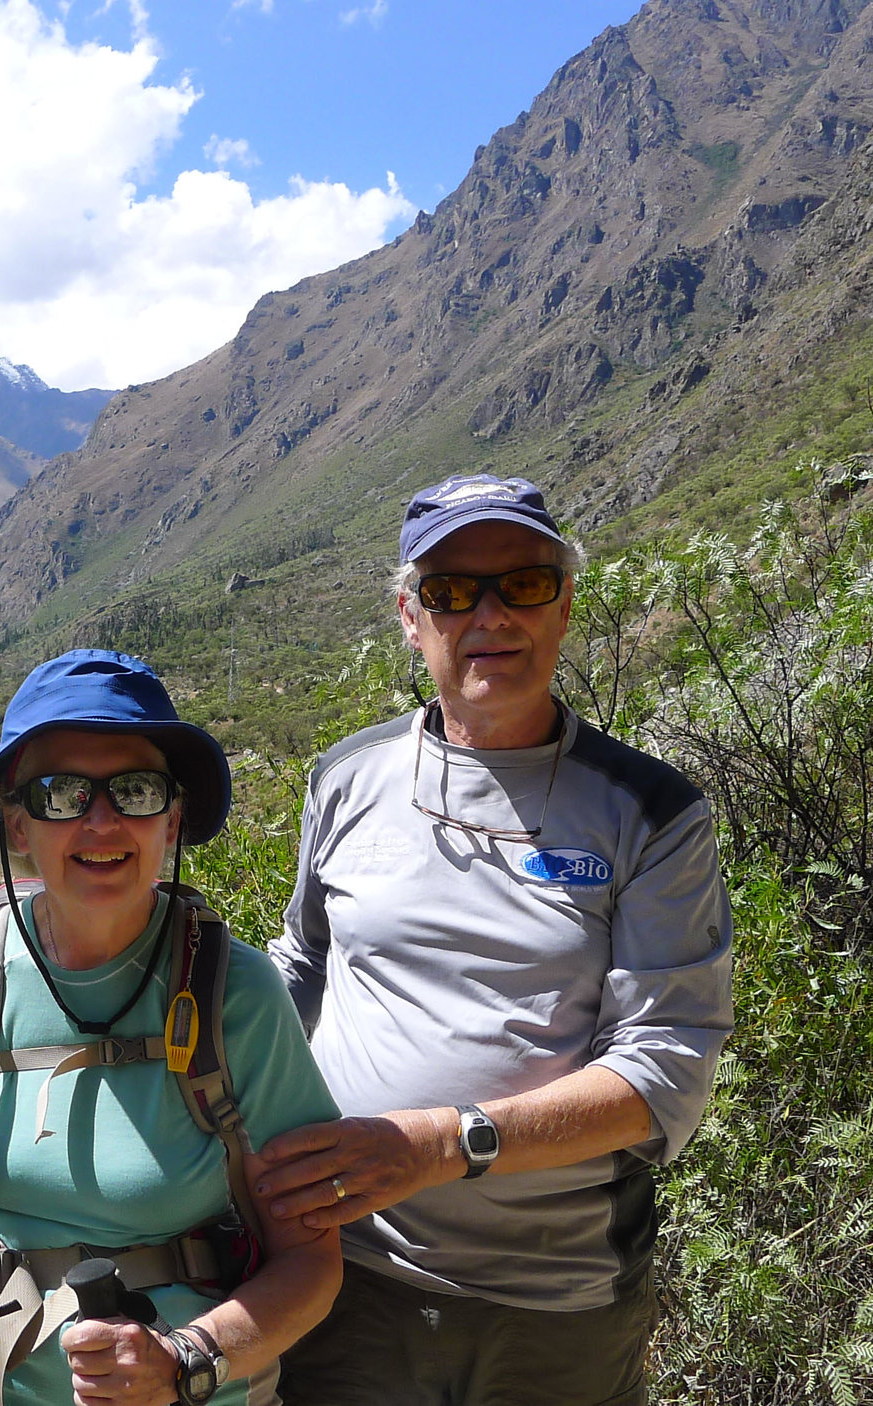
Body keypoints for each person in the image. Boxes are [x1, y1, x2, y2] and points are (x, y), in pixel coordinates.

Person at [260, 475, 734, 1406]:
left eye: (522, 583)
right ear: (409, 615)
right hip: (341, 1274)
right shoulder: (347, 778)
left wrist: (441, 1144)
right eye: (449, 591)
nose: (488, 615)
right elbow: (302, 967)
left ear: (565, 605)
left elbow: (665, 1069)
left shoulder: (651, 814)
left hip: (553, 1304)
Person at [0, 649, 343, 1406]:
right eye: (61, 794)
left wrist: (185, 1360)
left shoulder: (231, 992)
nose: (101, 820)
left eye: (136, 790)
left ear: (173, 817)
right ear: (16, 825)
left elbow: (311, 1258)